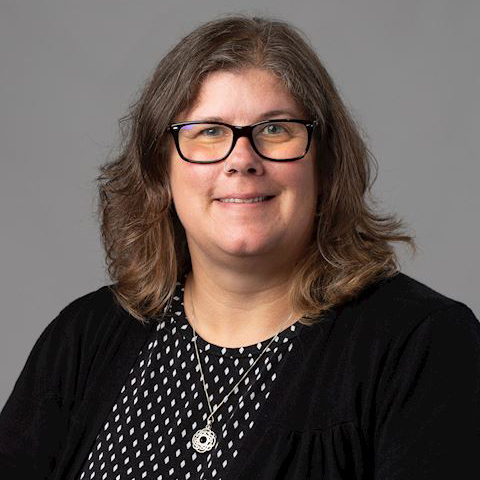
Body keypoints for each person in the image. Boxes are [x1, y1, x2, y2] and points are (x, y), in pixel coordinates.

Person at [1, 15, 479, 480]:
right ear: (159, 170)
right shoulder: (84, 337)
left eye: (275, 129)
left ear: (326, 162)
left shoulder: (422, 344)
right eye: (208, 132)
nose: (242, 160)